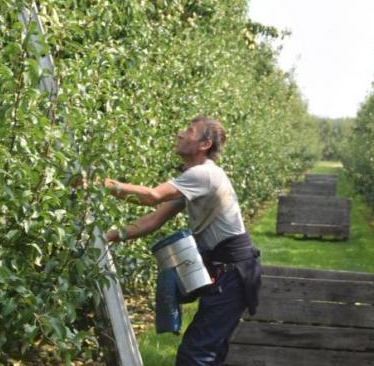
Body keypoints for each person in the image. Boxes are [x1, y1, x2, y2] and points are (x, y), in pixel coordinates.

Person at [102, 116, 261, 365]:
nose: (179, 134)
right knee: (206, 352)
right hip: (228, 273)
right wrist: (109, 237)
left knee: (196, 354)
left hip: (232, 275)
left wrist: (101, 184)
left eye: (189, 130)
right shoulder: (196, 180)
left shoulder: (204, 175)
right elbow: (151, 221)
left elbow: (152, 196)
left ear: (204, 144)